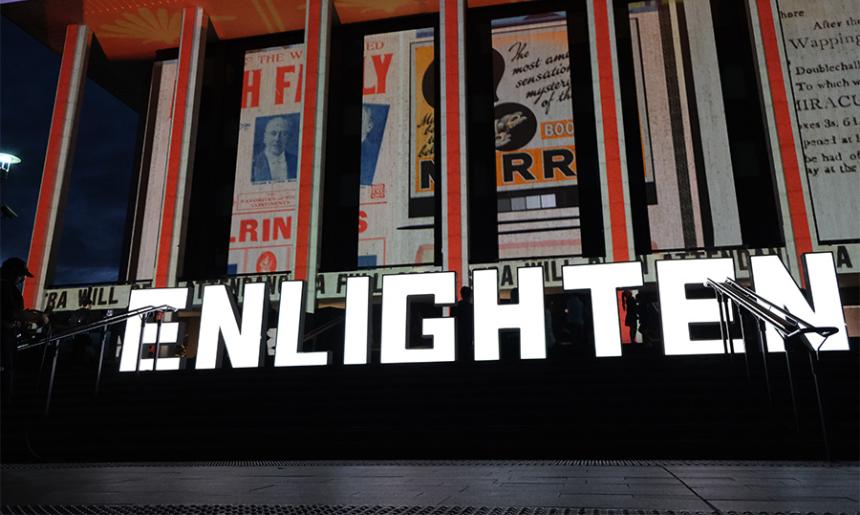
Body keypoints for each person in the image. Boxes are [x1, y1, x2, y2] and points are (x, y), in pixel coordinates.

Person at [1, 258, 47, 401]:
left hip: (8, 335)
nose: (22, 280)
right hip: (4, 337)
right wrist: (38, 318)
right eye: (21, 275)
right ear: (13, 272)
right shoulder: (4, 287)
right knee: (5, 371)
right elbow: (13, 312)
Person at [252, 116, 297, 183]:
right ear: (265, 137)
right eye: (273, 133)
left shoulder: (296, 161)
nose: (277, 139)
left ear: (289, 139)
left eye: (283, 134)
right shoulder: (253, 163)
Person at [452, 286, 473, 361]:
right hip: (468, 336)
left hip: (458, 336)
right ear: (470, 295)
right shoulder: (471, 308)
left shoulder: (456, 307)